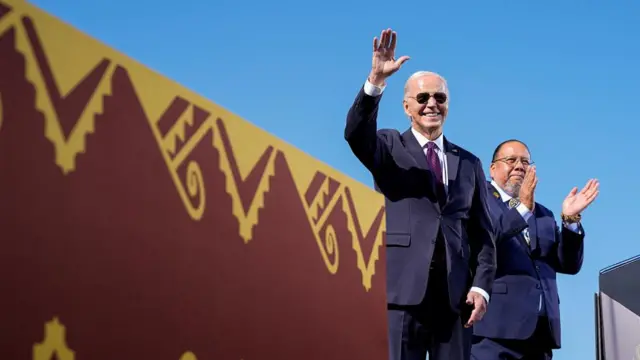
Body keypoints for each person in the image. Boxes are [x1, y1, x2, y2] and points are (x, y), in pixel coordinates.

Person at [344, 28, 497, 360]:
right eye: (423, 98)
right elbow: (355, 133)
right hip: (402, 292)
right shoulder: (388, 146)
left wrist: (481, 286)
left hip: (456, 301)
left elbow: (483, 235)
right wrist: (375, 82)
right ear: (406, 106)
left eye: (439, 98)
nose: (432, 104)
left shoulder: (469, 163)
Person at [471, 139, 599, 360]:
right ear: (492, 169)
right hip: (494, 331)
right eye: (511, 160)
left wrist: (570, 221)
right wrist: (521, 208)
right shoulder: (477, 201)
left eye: (525, 162)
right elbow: (486, 241)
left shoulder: (544, 214)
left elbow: (568, 265)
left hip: (540, 334)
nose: (519, 166)